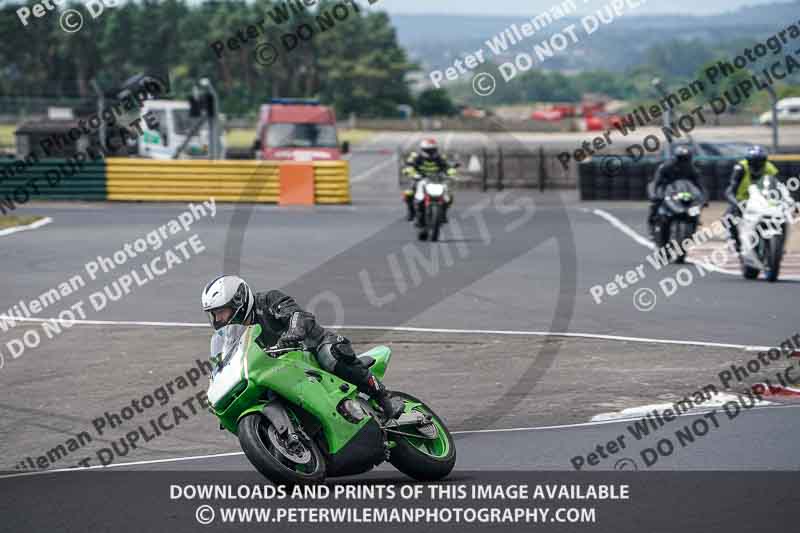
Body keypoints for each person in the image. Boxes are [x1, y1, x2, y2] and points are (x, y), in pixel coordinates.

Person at [201, 275, 400, 418]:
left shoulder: (268, 300)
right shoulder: (229, 336)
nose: (218, 319)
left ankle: (383, 396)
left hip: (310, 348)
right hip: (275, 369)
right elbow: (224, 361)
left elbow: (298, 315)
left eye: (221, 312)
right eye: (214, 314)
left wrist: (293, 333)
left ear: (238, 302)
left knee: (331, 355)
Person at [724, 145, 779, 252]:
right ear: (748, 161)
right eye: (753, 162)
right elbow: (730, 190)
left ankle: (777, 245)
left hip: (765, 202)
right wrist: (735, 203)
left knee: (781, 217)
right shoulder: (740, 168)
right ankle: (737, 243)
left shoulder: (770, 168)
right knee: (728, 218)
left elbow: (780, 188)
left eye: (759, 162)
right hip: (743, 202)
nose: (757, 165)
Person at [647, 145, 706, 237]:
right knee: (655, 205)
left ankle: (694, 223)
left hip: (683, 192)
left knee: (695, 208)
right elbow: (656, 183)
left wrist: (704, 199)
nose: (683, 162)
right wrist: (654, 195)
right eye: (681, 159)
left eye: (685, 159)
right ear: (675, 158)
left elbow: (700, 186)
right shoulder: (665, 167)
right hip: (666, 189)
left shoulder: (693, 169)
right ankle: (652, 225)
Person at [402, 138, 457, 224]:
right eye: (428, 150)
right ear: (423, 149)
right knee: (408, 192)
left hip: (437, 180)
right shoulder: (416, 157)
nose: (430, 152)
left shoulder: (440, 157)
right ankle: (411, 212)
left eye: (432, 150)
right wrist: (411, 173)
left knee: (449, 196)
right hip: (420, 179)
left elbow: (448, 167)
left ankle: (443, 214)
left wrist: (451, 173)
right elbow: (408, 166)